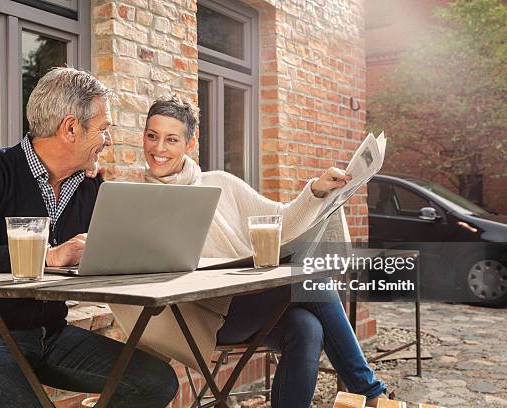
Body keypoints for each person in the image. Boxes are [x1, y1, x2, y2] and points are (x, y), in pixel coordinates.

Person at [109, 96, 388, 408]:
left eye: (171, 139)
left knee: (306, 328)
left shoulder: (221, 184)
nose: (158, 149)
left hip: (248, 303)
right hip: (200, 318)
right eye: (152, 136)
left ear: (190, 143)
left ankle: (370, 394)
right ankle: (373, 394)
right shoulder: (133, 202)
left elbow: (282, 219)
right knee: (314, 283)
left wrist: (317, 190)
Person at [0, 68, 178, 408]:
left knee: (155, 382)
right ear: (71, 128)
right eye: (104, 129)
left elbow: (118, 254)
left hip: (50, 337)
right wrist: (46, 257)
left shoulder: (91, 189)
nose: (108, 140)